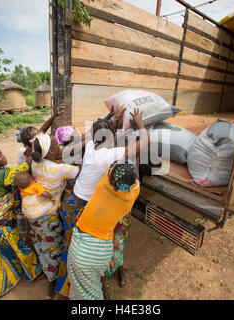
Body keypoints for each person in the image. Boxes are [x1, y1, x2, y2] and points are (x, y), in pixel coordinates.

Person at [54, 107, 149, 299]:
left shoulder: (90, 147)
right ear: (112, 137)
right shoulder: (110, 156)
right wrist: (139, 123)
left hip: (72, 204)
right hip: (89, 208)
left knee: (73, 246)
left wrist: (114, 119)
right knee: (114, 239)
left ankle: (67, 288)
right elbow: (144, 143)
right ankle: (103, 278)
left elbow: (98, 135)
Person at [67, 160, 141, 300]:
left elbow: (112, 166)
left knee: (83, 293)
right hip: (100, 249)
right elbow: (135, 181)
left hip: (81, 247)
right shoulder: (130, 197)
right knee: (90, 292)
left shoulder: (103, 183)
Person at [0, 146, 42, 299]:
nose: (3, 155)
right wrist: (33, 155)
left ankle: (7, 278)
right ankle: (34, 274)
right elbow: (21, 171)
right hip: (2, 224)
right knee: (20, 248)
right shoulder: (2, 174)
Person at [27, 132, 80, 299]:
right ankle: (52, 281)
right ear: (50, 152)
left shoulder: (35, 163)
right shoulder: (59, 169)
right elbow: (77, 170)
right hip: (46, 215)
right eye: (57, 145)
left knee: (41, 244)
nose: (60, 147)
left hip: (33, 213)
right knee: (54, 250)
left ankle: (45, 271)